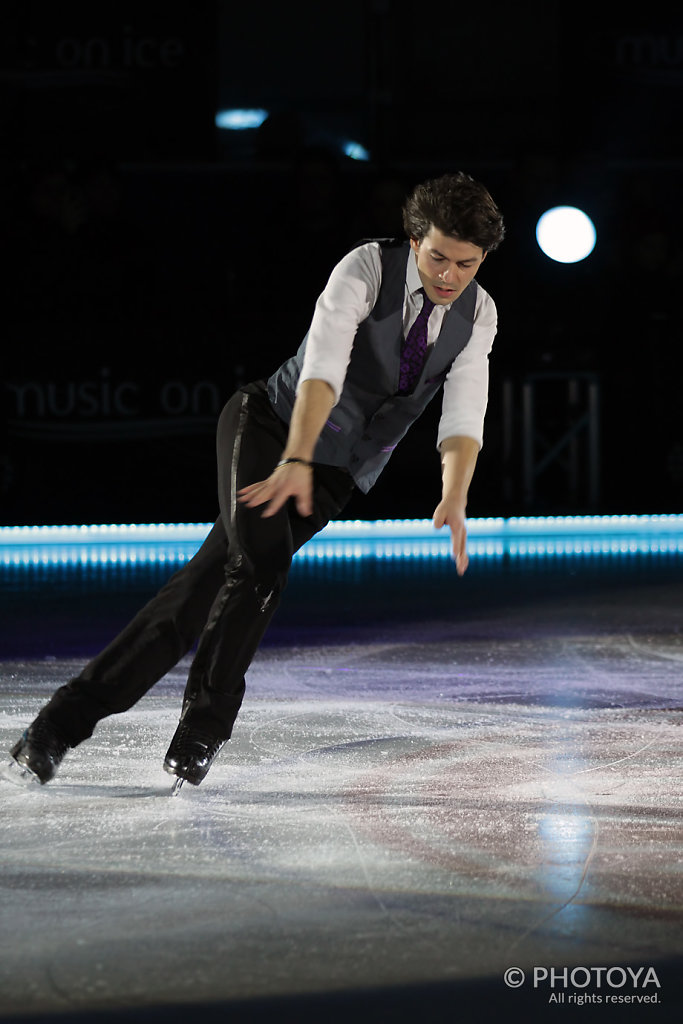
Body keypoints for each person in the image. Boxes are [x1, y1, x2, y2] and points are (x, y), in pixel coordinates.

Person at [8, 171, 505, 790]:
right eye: (438, 257)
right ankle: (204, 728)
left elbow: (464, 407)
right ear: (413, 238)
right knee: (259, 568)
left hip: (336, 472)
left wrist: (454, 493)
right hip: (271, 427)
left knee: (195, 595)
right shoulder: (365, 269)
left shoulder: (478, 314)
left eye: (466, 263)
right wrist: (294, 457)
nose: (449, 276)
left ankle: (56, 726)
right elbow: (323, 365)